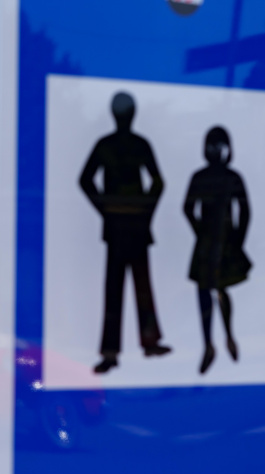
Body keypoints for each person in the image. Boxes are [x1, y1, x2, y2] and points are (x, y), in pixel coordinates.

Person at [78, 91, 171, 374]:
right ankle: (128, 348)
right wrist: (114, 210)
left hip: (126, 225)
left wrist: (110, 210)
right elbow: (86, 180)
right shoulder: (129, 144)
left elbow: (158, 182)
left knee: (127, 288)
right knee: (125, 288)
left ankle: (127, 349)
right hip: (127, 226)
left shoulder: (117, 145)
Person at [183, 127, 251, 375]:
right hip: (212, 240)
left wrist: (238, 239)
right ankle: (209, 344)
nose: (216, 152)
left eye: (219, 147)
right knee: (205, 290)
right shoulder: (203, 177)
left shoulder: (231, 177)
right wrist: (200, 231)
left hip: (222, 240)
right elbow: (188, 208)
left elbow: (245, 211)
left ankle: (228, 337)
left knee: (220, 288)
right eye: (213, 147)